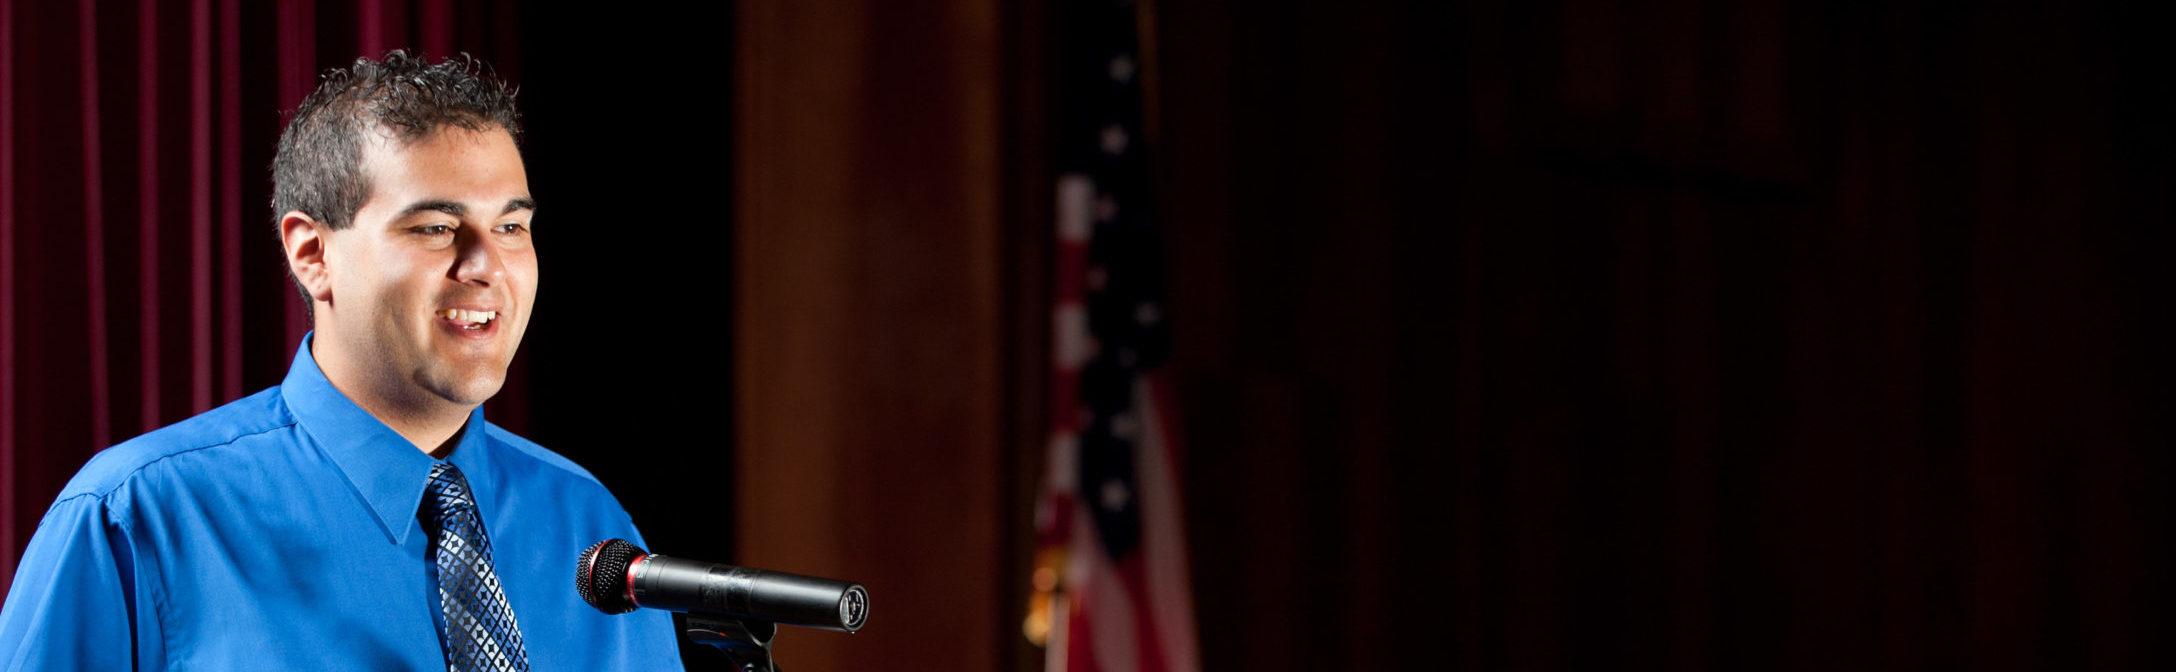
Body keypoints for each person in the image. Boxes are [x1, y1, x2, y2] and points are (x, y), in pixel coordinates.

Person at [0, 51, 683, 670]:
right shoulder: (135, 518)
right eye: (436, 228)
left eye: (511, 227)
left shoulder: (588, 526)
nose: (487, 267)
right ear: (312, 253)